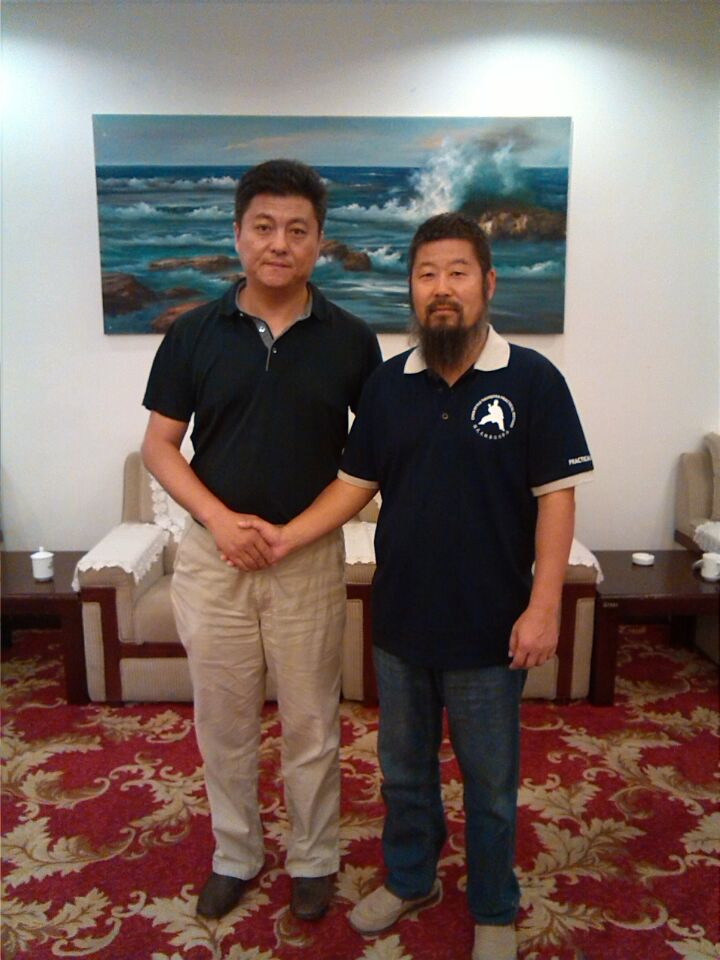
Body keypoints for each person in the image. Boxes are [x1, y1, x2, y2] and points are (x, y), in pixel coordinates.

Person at [240, 212, 594, 960]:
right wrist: (286, 536)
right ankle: (410, 879)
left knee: (490, 784)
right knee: (403, 774)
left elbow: (556, 499)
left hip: (491, 628)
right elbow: (352, 485)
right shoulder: (386, 385)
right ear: (410, 289)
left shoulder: (533, 380)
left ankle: (494, 905)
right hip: (400, 623)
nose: (441, 288)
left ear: (488, 283)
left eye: (458, 272)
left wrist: (544, 607)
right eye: (427, 274)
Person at [141, 159, 382, 922]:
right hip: (213, 560)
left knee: (311, 721)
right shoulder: (193, 332)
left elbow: (367, 464)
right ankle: (236, 853)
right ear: (238, 234)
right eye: (264, 227)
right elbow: (159, 447)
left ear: (319, 241)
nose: (280, 243)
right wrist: (219, 520)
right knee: (224, 721)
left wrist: (292, 535)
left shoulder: (352, 340)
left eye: (297, 230)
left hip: (305, 560)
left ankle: (313, 858)